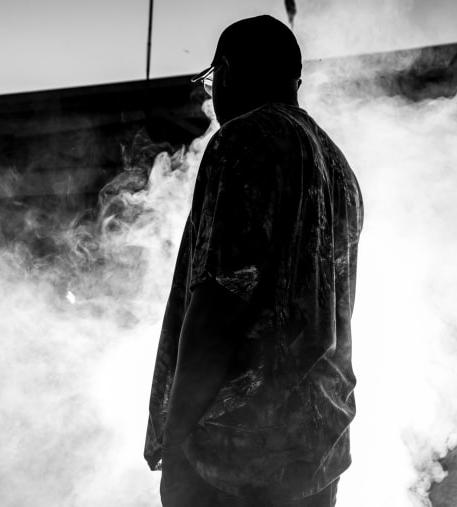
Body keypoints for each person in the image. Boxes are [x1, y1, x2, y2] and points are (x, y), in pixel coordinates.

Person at [144, 15, 364, 507]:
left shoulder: (243, 140)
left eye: (211, 80)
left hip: (235, 454)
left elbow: (219, 305)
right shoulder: (339, 168)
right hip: (318, 449)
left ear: (225, 71)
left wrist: (175, 433)